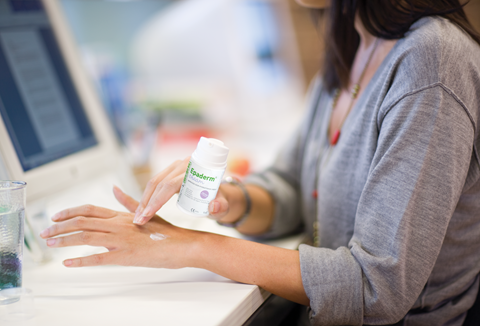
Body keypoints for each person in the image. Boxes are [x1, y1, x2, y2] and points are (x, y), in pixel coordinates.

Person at [40, 0, 480, 324]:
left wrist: (193, 246)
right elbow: (294, 186)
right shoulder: (355, 41)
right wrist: (229, 198)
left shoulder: (431, 60)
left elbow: (375, 287)